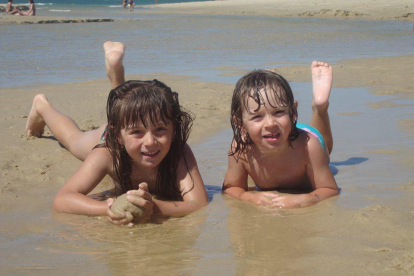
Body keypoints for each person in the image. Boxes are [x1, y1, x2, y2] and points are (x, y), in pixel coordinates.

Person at [26, 41, 208, 225]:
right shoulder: (107, 153)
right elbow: (62, 200)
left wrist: (153, 206)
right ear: (118, 137)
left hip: (125, 125)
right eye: (138, 132)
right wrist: (108, 208)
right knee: (74, 140)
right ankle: (42, 106)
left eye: (160, 129)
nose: (151, 141)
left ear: (173, 129)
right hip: (110, 136)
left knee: (126, 109)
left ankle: (115, 70)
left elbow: (198, 203)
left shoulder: (179, 152)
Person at [222, 61, 339, 208]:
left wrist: (304, 200)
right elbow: (230, 188)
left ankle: (320, 106)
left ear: (293, 111)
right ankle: (272, 89)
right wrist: (249, 197)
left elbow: (330, 189)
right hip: (282, 128)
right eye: (257, 116)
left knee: (325, 149)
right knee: (274, 104)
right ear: (240, 123)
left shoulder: (309, 147)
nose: (270, 123)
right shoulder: (241, 148)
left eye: (278, 112)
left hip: (301, 134)